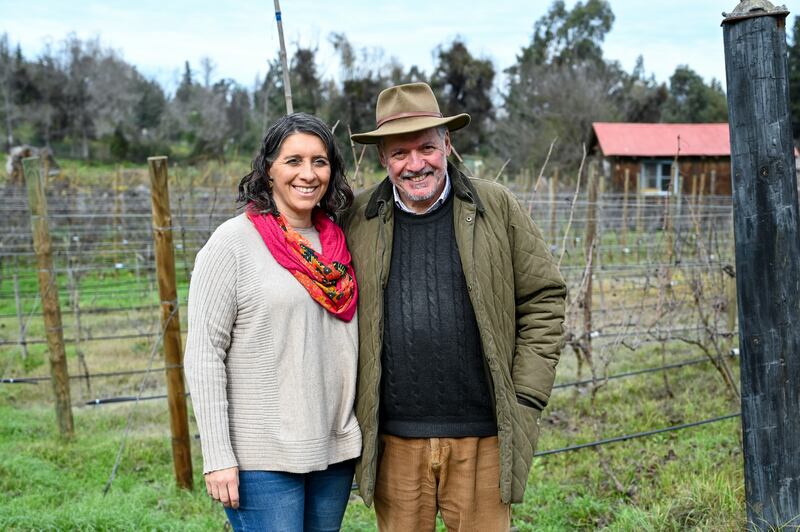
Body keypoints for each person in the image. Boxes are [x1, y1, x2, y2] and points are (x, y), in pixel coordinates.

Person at [344, 82, 567, 531]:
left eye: (426, 147)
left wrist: (525, 394)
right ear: (382, 158)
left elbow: (544, 298)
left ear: (447, 143)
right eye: (400, 153)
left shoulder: (495, 206)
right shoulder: (359, 217)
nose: (415, 164)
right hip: (394, 439)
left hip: (484, 434)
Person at [184, 113, 361, 531]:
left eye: (320, 161)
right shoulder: (232, 244)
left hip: (332, 451)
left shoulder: (339, 244)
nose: (308, 174)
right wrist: (218, 455)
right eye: (293, 161)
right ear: (268, 170)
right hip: (261, 458)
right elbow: (204, 354)